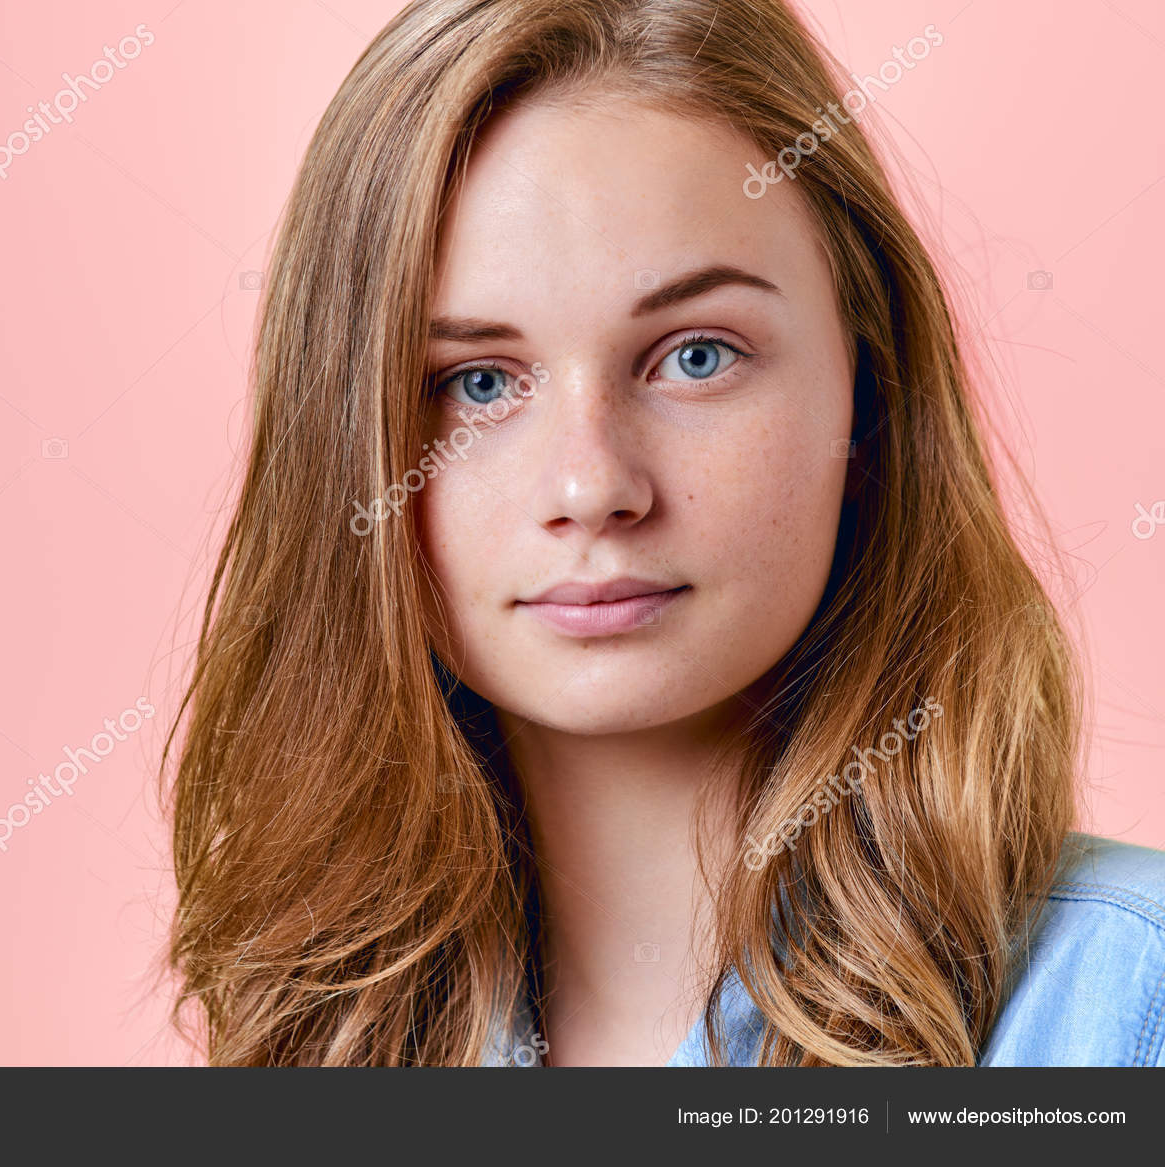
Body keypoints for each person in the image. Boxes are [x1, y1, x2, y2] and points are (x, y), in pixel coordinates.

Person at [161, 0, 1165, 1066]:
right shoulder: (311, 1039)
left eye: (696, 355)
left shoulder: (1125, 1008)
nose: (591, 486)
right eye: (476, 382)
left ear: (866, 389)